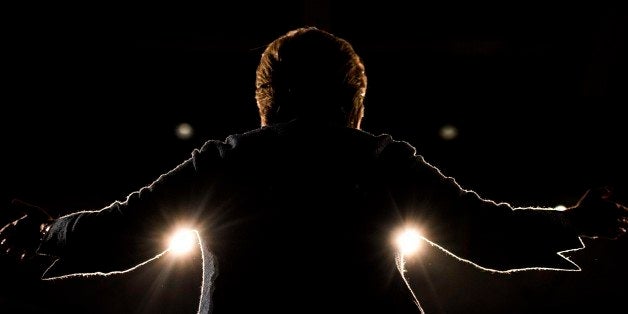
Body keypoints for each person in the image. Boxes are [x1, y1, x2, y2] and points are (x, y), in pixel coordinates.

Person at [1, 27, 627, 314]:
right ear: (355, 98)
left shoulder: (224, 161)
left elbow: (119, 234)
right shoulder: (382, 160)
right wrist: (573, 221)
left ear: (265, 99)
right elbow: (483, 235)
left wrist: (47, 232)